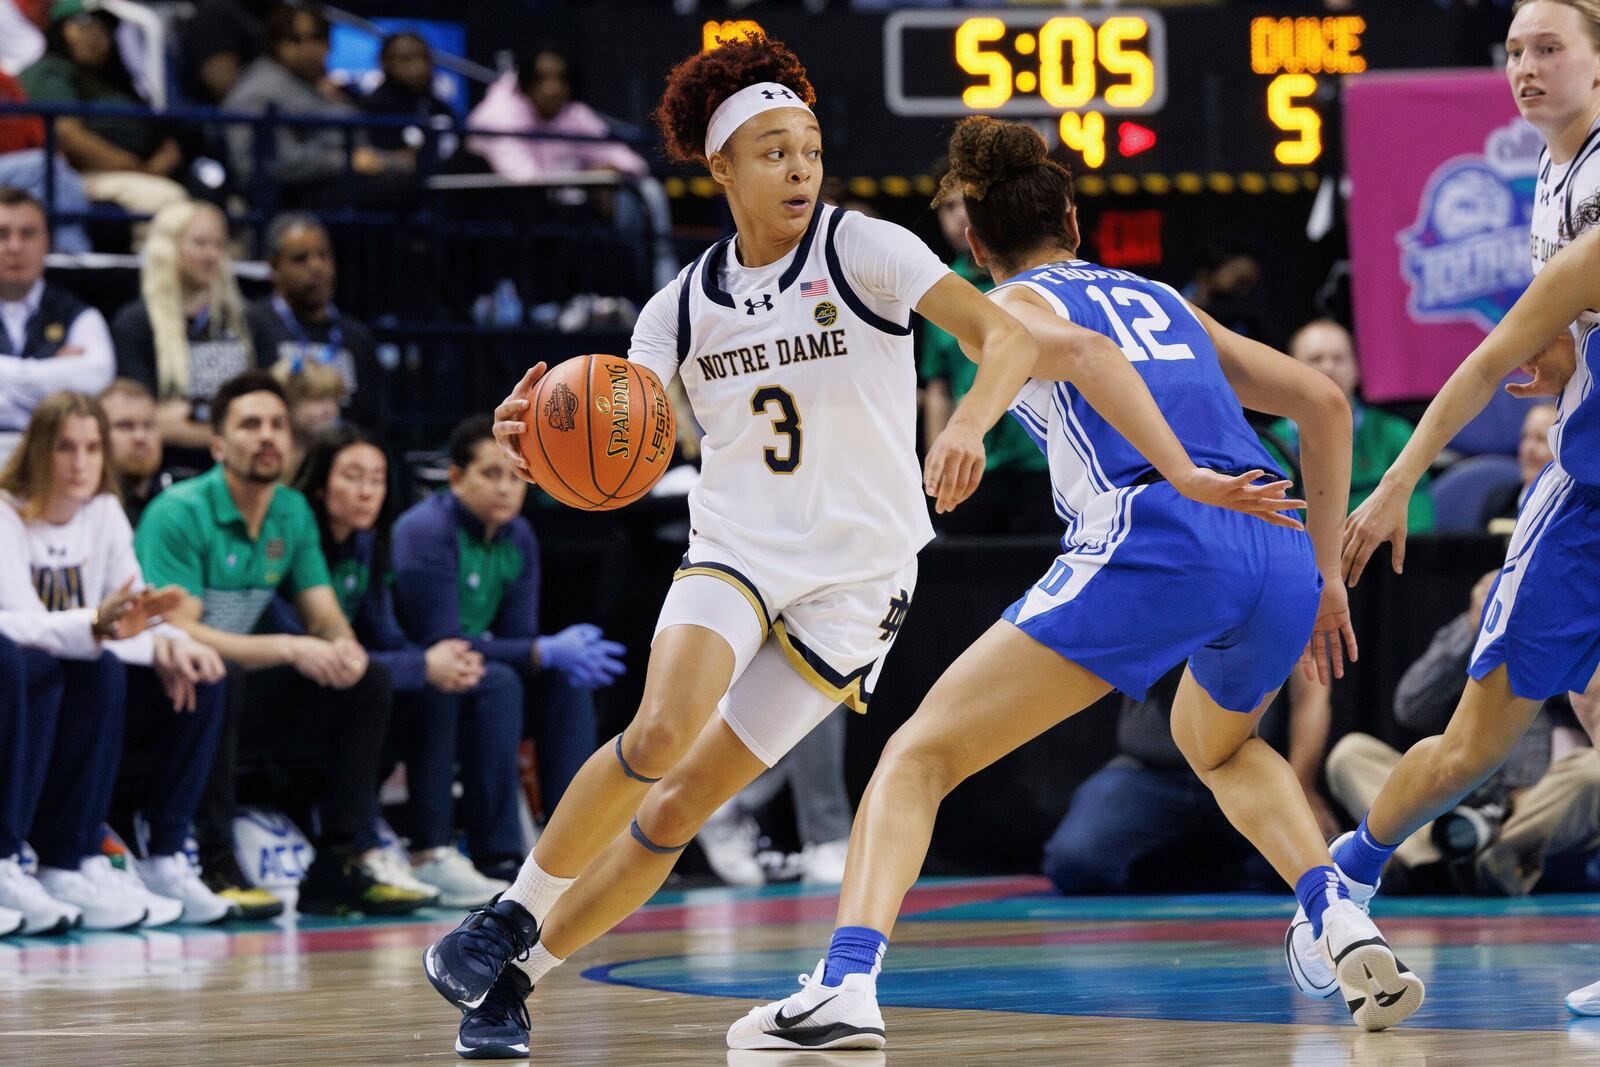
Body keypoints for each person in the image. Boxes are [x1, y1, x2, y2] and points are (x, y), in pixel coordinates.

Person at [424, 39, 1288, 1059]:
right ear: (722, 167)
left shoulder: (865, 247)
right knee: (659, 737)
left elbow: (1009, 335)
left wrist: (966, 422)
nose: (798, 168)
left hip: (860, 576)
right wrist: (540, 439)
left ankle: (513, 983)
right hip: (738, 548)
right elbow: (623, 423)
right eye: (773, 151)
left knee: (682, 806)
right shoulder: (678, 305)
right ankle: (510, 916)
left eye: (809, 148)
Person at [726, 115, 1424, 1049]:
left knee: (916, 758)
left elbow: (1040, 347)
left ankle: (844, 985)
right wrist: (1328, 574)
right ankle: (1337, 911)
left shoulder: (1008, 305)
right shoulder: (1163, 300)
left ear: (974, 244)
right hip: (1276, 545)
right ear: (1074, 220)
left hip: (1156, 533)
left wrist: (970, 422)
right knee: (1213, 746)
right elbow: (1326, 403)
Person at [1280, 0, 1600, 1017]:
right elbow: (1497, 353)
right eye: (1513, 51)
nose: (1525, 67)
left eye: (1549, 47)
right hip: (1585, 508)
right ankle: (1346, 875)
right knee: (1466, 749)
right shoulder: (1562, 185)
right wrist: (1396, 476)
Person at [133, 370, 429, 918]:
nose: (267, 435)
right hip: (160, 688)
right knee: (221, 669)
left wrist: (342, 646)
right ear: (219, 445)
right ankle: (216, 859)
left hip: (238, 691)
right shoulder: (180, 511)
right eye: (250, 425)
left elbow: (321, 610)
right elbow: (178, 631)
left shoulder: (289, 512)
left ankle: (340, 860)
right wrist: (292, 649)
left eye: (277, 425)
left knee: (368, 679)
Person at [0, 391, 232, 928]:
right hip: (20, 672)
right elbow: (19, 621)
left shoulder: (104, 512)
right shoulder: (8, 515)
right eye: (64, 448)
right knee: (62, 667)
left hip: (68, 671)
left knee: (203, 669)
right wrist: (101, 626)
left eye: (91, 447)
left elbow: (130, 614)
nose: (80, 462)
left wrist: (166, 641)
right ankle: (33, 858)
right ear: (37, 450)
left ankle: (162, 855)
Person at [290, 424, 514, 908]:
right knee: (379, 686)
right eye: (352, 476)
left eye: (377, 478)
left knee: (450, 682)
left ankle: (432, 850)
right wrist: (420, 665)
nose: (368, 490)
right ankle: (364, 850)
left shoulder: (370, 544)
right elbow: (306, 648)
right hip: (296, 686)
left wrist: (440, 662)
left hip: (351, 682)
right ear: (320, 483)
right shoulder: (298, 540)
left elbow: (386, 634)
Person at [392, 415, 620, 882]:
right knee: (502, 681)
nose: (505, 488)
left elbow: (520, 634)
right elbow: (444, 641)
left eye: (516, 477)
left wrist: (542, 654)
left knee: (562, 684)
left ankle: (576, 845)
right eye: (490, 474)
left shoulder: (518, 535)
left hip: (480, 672)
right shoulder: (426, 531)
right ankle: (496, 853)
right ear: (456, 478)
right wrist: (539, 650)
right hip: (419, 676)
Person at [1042, 667, 1285, 896]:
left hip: (1246, 770)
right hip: (1149, 769)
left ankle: (1220, 870)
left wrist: (1303, 782)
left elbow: (1309, 698)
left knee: (1303, 864)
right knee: (1077, 861)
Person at [918, 169, 1054, 535]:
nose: (960, 215)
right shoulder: (935, 290)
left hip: (1040, 462)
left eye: (968, 204)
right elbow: (939, 386)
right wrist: (937, 463)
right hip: (971, 464)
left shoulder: (1036, 279)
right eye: (948, 208)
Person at [222, 5, 412, 210]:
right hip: (284, 200)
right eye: (295, 40)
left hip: (328, 185)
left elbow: (360, 149)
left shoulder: (316, 86)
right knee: (396, 188)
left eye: (317, 38)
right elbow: (267, 165)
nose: (308, 49)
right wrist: (348, 161)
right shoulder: (260, 89)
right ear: (275, 44)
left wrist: (392, 161)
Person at [112, 199, 254, 473]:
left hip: (236, 472)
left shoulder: (244, 320)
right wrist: (236, 432)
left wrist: (189, 417)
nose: (212, 255)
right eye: (200, 244)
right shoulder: (135, 322)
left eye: (219, 245)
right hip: (170, 471)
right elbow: (147, 425)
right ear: (167, 248)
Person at [17, 0, 187, 220]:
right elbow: (68, 136)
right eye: (84, 23)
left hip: (140, 174)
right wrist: (138, 168)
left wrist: (164, 156)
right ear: (59, 29)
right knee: (167, 202)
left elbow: (161, 131)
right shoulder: (49, 72)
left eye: (103, 26)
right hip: (75, 177)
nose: (95, 34)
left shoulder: (115, 79)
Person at [0, 186, 112, 456]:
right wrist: (51, 363)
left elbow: (95, 378)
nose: (15, 246)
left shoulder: (80, 313)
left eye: (28, 233)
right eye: (2, 234)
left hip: (54, 457)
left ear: (47, 241)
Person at [246, 213, 383, 429]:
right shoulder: (252, 325)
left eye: (324, 255)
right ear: (273, 267)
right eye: (301, 258)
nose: (316, 266)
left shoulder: (357, 337)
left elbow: (372, 422)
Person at [0, 68, 90, 254]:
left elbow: (36, 131)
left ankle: (65, 257)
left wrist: (55, 161)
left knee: (57, 173)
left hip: (15, 174)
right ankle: (72, 253)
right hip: (19, 169)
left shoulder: (4, 81)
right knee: (43, 165)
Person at [98, 378, 193, 527]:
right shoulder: (87, 512)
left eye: (149, 426)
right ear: (98, 434)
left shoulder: (180, 501)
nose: (140, 437)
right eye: (125, 426)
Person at [361, 32, 455, 159]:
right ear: (384, 62)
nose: (419, 67)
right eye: (406, 59)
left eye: (424, 58)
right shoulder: (371, 109)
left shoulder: (440, 108)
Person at [272, 358, 343, 477]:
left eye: (334, 400)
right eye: (318, 399)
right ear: (286, 401)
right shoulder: (268, 458)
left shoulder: (335, 456)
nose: (331, 410)